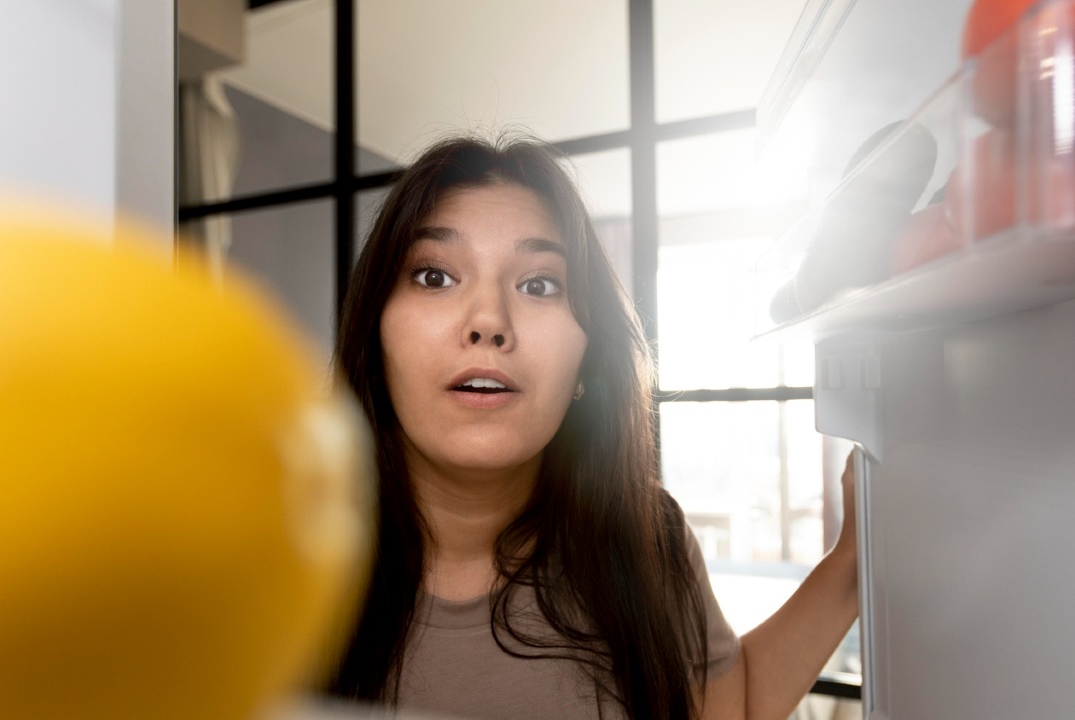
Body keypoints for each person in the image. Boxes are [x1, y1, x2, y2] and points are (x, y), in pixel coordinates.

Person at [325, 133, 860, 720]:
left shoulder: (647, 541)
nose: (488, 321)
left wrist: (855, 559)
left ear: (585, 365)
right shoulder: (274, 559)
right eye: (434, 277)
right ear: (375, 339)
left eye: (538, 284)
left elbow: (726, 708)